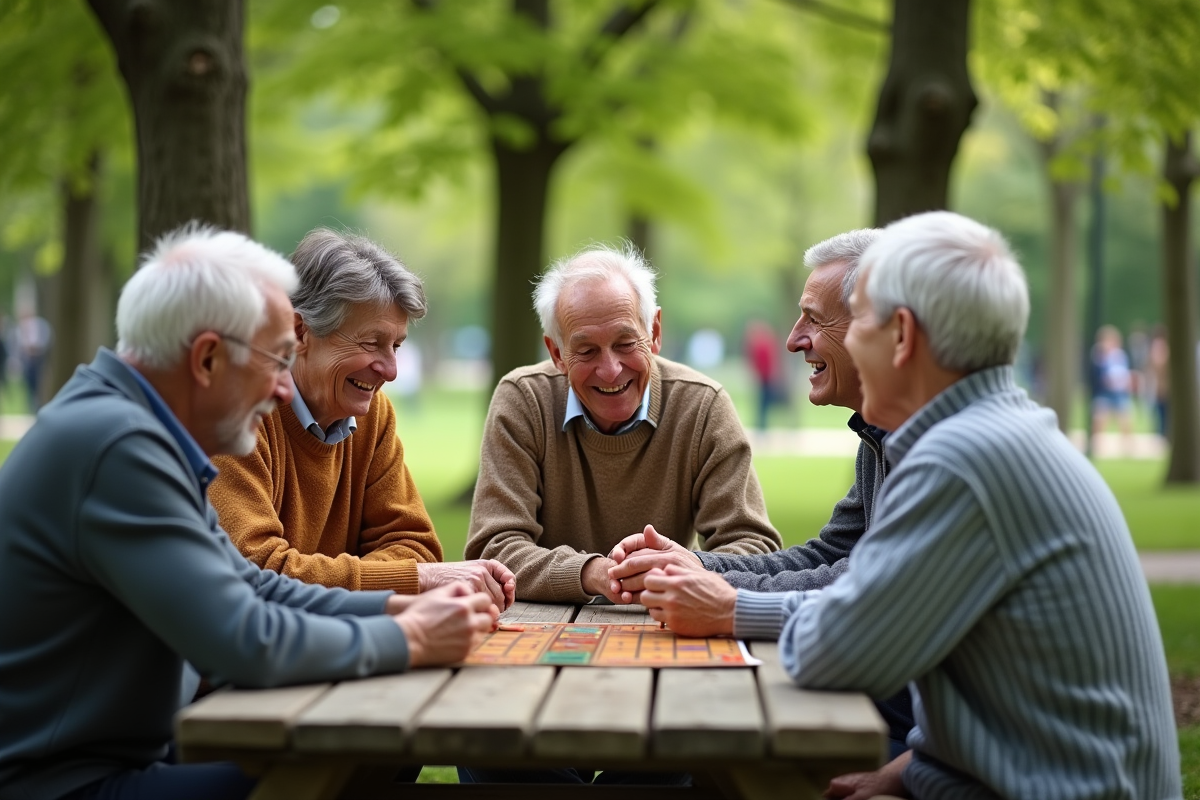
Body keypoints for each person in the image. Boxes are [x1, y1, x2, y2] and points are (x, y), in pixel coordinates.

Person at [649, 211, 1179, 798]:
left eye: (861, 323)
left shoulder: (965, 458)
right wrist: (901, 776)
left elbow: (848, 647)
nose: (819, 340)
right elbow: (990, 701)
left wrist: (729, 610)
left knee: (724, 760)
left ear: (901, 336)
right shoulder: (993, 431)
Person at [0, 225, 497, 800]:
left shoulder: (130, 426)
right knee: (340, 775)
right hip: (60, 782)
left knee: (362, 763)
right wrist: (407, 639)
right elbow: (241, 640)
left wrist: (392, 604)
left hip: (117, 757)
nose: (283, 389)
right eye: (276, 359)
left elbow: (252, 584)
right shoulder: (119, 446)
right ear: (208, 358)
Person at [606, 229, 914, 757]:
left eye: (814, 319)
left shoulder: (939, 448)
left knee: (709, 733)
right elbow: (831, 554)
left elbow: (865, 587)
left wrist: (729, 605)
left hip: (903, 727)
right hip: (891, 710)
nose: (794, 339)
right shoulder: (880, 432)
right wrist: (701, 569)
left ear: (889, 329)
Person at [210, 229, 513, 611]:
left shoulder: (372, 416)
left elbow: (417, 546)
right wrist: (407, 579)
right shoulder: (236, 411)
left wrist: (342, 583)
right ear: (300, 332)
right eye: (371, 343)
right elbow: (257, 571)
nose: (390, 371)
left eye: (397, 346)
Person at [465, 242, 782, 604]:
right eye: (586, 351)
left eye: (626, 342)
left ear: (655, 332)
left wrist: (683, 567)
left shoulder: (703, 406)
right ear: (556, 354)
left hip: (670, 620)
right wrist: (595, 573)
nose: (611, 369)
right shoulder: (523, 400)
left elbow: (756, 547)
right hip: (541, 626)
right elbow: (493, 548)